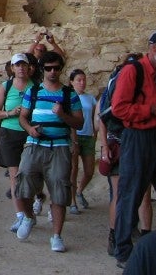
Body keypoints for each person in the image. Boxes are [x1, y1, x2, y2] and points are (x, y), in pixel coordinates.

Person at [111, 31, 156, 267]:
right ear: (153, 47)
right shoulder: (132, 71)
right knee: (130, 194)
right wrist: (153, 111)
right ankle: (123, 251)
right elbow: (119, 108)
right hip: (137, 137)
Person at [13, 51, 83, 254]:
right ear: (42, 70)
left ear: (61, 69)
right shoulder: (33, 91)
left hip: (59, 147)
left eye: (56, 68)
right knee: (23, 180)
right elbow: (23, 118)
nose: (53, 72)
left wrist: (62, 114)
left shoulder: (69, 95)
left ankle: (56, 236)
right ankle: (28, 216)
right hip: (35, 144)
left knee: (60, 190)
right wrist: (29, 129)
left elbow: (79, 122)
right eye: (48, 68)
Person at [0, 53, 32, 229]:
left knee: (30, 175)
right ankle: (20, 215)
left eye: (24, 65)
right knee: (15, 177)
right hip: (10, 132)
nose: (21, 68)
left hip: (29, 133)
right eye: (18, 65)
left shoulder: (35, 87)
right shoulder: (6, 86)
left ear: (28, 67)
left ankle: (29, 211)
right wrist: (10, 113)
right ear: (13, 68)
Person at [67, 68, 96, 215]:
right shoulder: (69, 98)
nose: (82, 83)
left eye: (84, 80)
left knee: (89, 171)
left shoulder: (90, 98)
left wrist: (94, 135)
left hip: (88, 136)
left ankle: (79, 191)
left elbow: (93, 118)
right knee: (73, 170)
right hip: (74, 136)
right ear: (72, 82)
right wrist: (74, 140)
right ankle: (72, 202)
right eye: (79, 80)